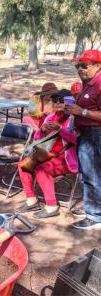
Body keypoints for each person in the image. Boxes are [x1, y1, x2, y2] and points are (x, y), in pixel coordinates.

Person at [17, 89, 78, 219]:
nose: (57, 103)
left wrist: (60, 129)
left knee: (41, 168)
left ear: (69, 102)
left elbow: (76, 140)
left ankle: (52, 206)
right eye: (55, 101)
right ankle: (31, 200)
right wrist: (42, 130)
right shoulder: (50, 117)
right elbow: (38, 138)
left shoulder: (74, 119)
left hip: (65, 159)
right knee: (23, 164)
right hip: (47, 154)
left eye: (61, 101)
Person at [65, 49, 101, 230]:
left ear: (97, 66)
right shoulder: (88, 82)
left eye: (84, 65)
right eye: (78, 66)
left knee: (92, 175)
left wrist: (82, 112)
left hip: (95, 134)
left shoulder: (100, 83)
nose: (80, 69)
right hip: (85, 133)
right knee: (88, 175)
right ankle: (93, 207)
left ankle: (94, 216)